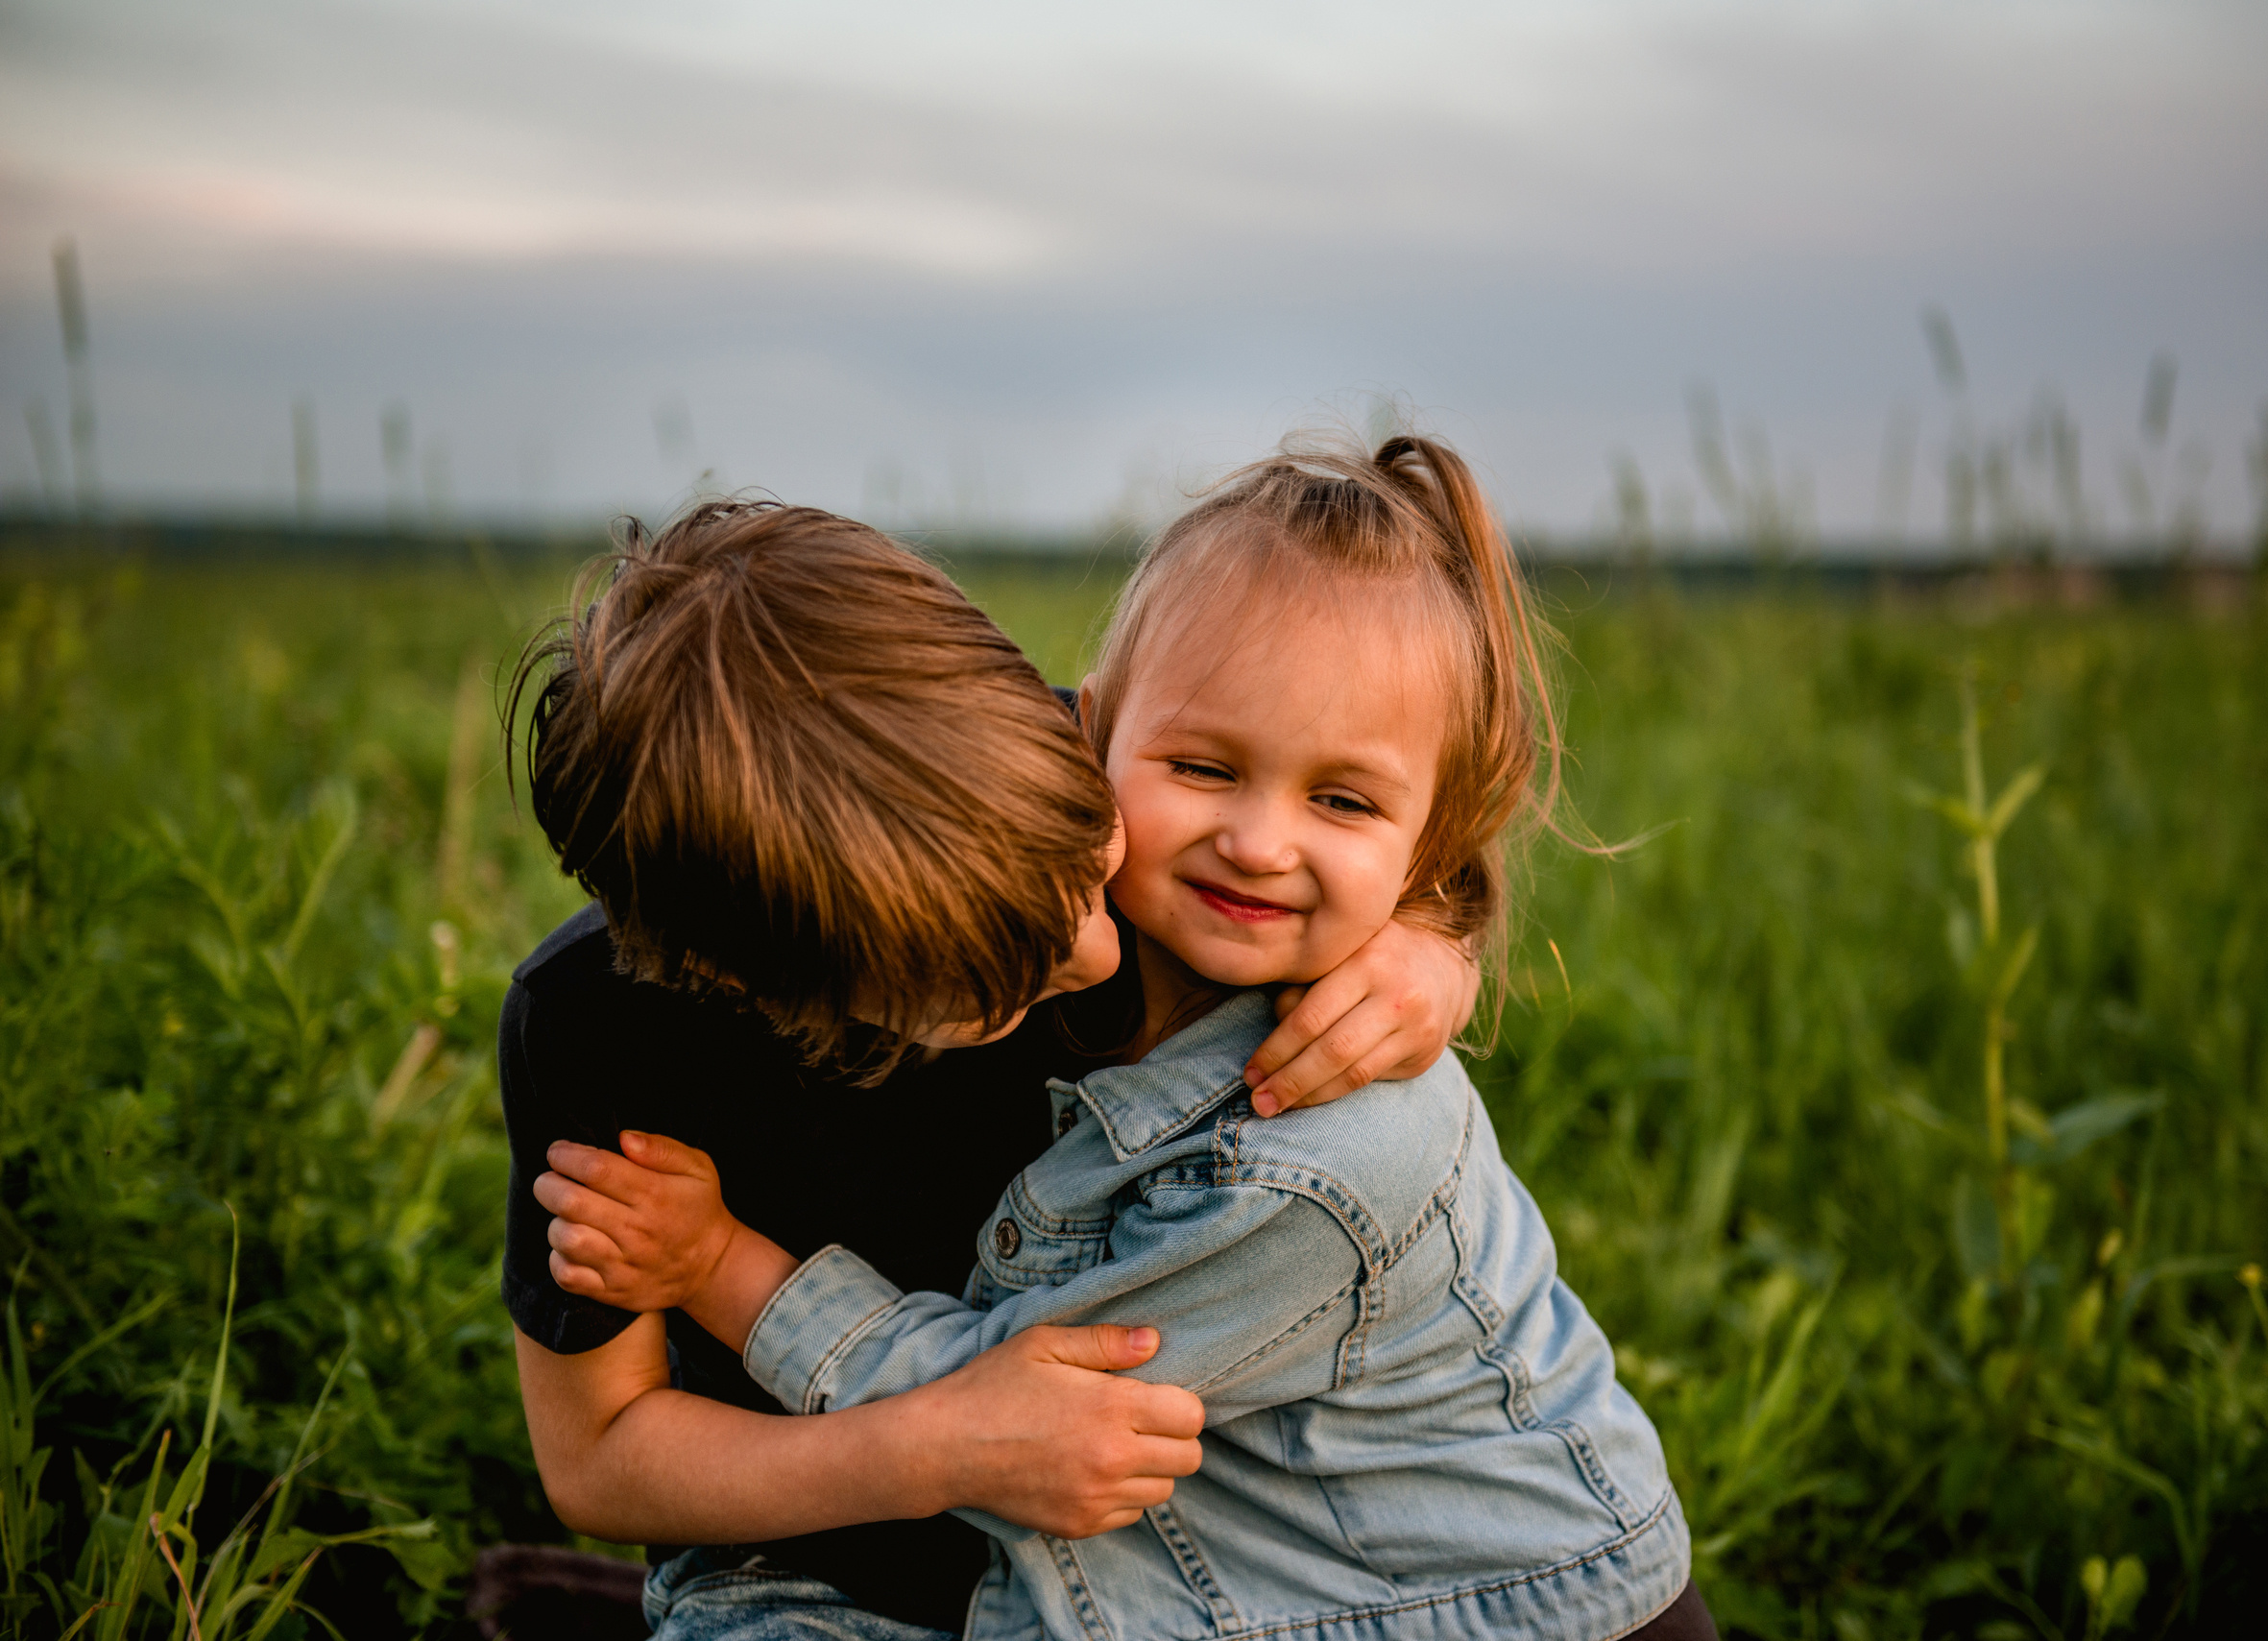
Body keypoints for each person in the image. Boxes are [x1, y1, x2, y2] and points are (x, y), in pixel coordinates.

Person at [547, 438, 1717, 1640]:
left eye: (1341, 800)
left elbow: (1040, 1402)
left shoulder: (1306, 1133)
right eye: (986, 967)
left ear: (1070, 745)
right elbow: (611, 1452)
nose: (1094, 947)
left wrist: (1435, 935)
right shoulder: (603, 1015)